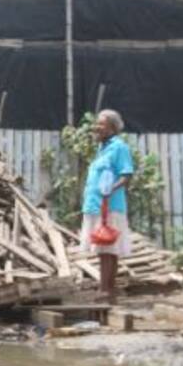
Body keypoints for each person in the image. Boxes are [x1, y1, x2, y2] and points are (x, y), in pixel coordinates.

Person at [81, 109, 134, 301]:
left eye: (101, 124)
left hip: (109, 205)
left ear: (112, 127)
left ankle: (105, 291)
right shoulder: (102, 148)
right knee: (107, 250)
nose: (97, 127)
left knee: (107, 249)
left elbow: (126, 174)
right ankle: (108, 291)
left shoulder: (119, 147)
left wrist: (111, 189)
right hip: (96, 204)